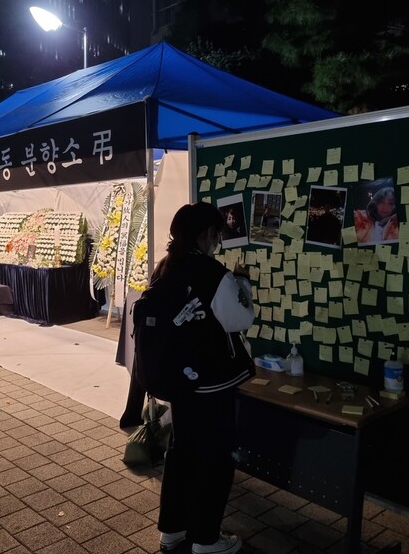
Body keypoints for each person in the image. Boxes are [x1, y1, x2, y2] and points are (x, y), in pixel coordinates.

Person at [155, 202, 255, 554]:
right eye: (216, 234)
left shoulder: (165, 268)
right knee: (213, 460)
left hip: (179, 383)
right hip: (212, 384)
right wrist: (242, 281)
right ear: (205, 234)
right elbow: (240, 319)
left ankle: (173, 530)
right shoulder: (213, 274)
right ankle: (207, 540)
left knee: (182, 454)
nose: (218, 241)